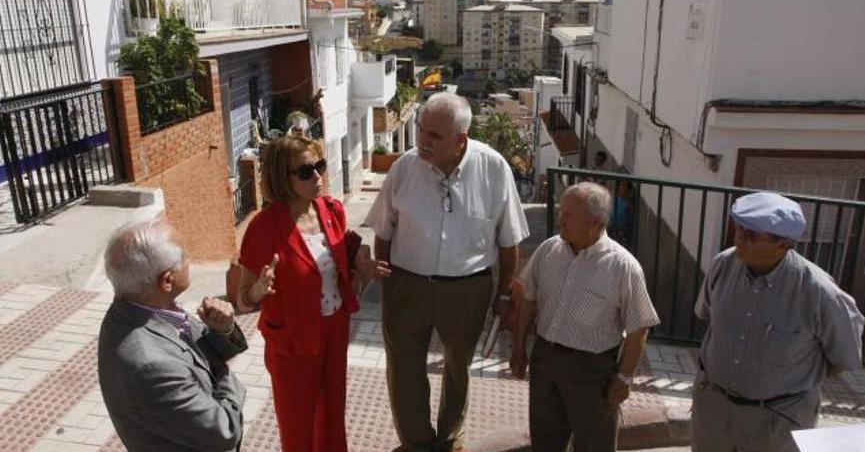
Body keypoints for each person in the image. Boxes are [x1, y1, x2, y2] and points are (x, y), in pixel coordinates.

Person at [365, 92, 530, 451]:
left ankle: (449, 439)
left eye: (434, 136)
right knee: (404, 368)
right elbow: (383, 230)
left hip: (467, 290)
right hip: (406, 284)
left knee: (458, 368)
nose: (423, 140)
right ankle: (416, 442)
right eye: (423, 130)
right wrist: (390, 284)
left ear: (461, 140)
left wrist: (503, 294)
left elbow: (509, 241)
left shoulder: (494, 168)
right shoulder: (404, 168)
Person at [236, 135, 390, 452]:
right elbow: (241, 300)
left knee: (333, 413)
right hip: (292, 339)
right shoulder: (264, 228)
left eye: (319, 166)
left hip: (334, 328)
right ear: (283, 177)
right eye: (306, 172)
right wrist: (257, 291)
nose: (317, 176)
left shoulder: (330, 210)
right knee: (297, 424)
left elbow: (347, 242)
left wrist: (361, 257)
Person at [692, 192, 865, 452]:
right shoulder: (723, 265)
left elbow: (842, 360)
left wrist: (781, 383)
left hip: (778, 421)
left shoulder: (820, 293)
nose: (738, 239)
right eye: (739, 229)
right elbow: (706, 315)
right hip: (714, 412)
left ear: (783, 245)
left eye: (750, 235)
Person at [510, 182, 660, 452]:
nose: (560, 220)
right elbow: (529, 300)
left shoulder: (623, 267)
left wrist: (624, 379)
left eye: (569, 215)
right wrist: (519, 347)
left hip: (592, 372)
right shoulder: (548, 250)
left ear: (595, 222)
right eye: (561, 212)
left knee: (594, 445)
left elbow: (639, 330)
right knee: (544, 440)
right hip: (546, 359)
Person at [98, 218, 249, 452]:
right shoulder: (152, 365)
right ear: (167, 280)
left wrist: (223, 329)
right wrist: (224, 371)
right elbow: (224, 430)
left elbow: (197, 353)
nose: (189, 261)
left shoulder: (138, 306)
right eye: (185, 258)